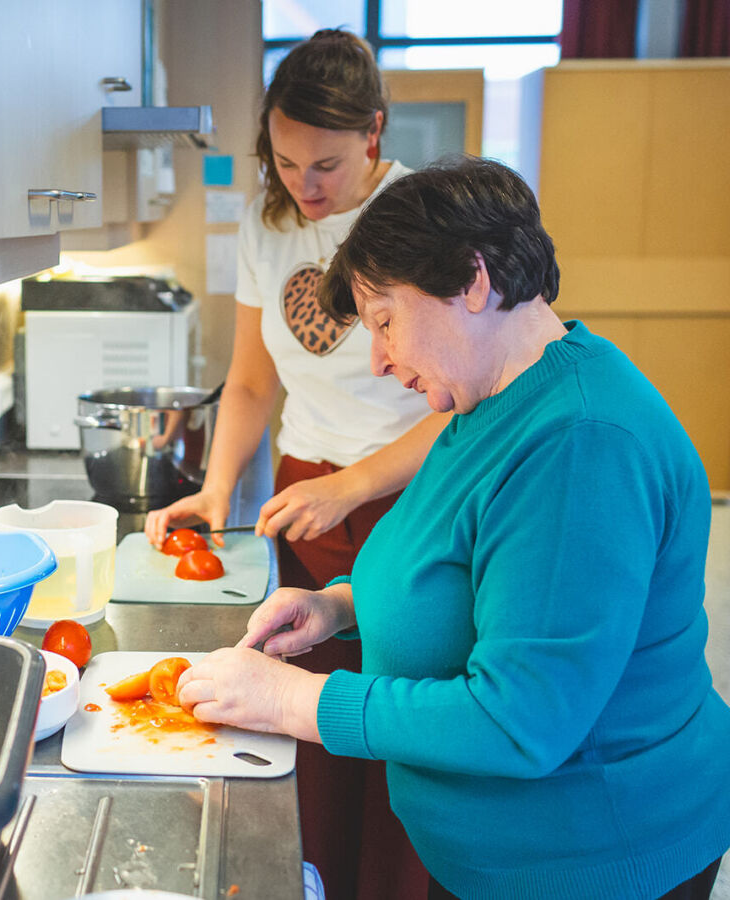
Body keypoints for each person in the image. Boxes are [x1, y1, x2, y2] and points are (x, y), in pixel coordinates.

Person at [175, 155, 730, 900]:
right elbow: (463, 565)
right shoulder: (489, 401)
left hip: (588, 860)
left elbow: (519, 719)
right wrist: (341, 606)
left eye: (385, 321)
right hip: (494, 859)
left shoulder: (581, 445)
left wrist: (293, 701)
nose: (378, 360)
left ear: (472, 280)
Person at [144, 29, 443, 898]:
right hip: (301, 502)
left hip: (408, 503)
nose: (304, 188)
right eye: (283, 162)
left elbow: (471, 407)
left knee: (393, 735)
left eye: (326, 166)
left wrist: (354, 483)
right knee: (303, 730)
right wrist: (214, 488)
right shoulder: (265, 220)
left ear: (374, 136)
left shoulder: (420, 218)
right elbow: (248, 382)